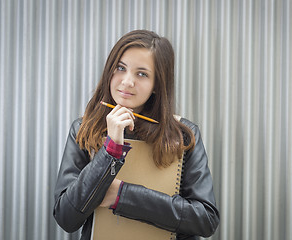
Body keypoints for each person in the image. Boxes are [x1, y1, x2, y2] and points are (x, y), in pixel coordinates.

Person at [53, 30, 220, 240]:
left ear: (157, 84)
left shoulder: (183, 135)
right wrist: (111, 150)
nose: (127, 81)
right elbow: (66, 217)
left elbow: (205, 219)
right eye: (120, 68)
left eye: (142, 73)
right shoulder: (84, 129)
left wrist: (123, 196)